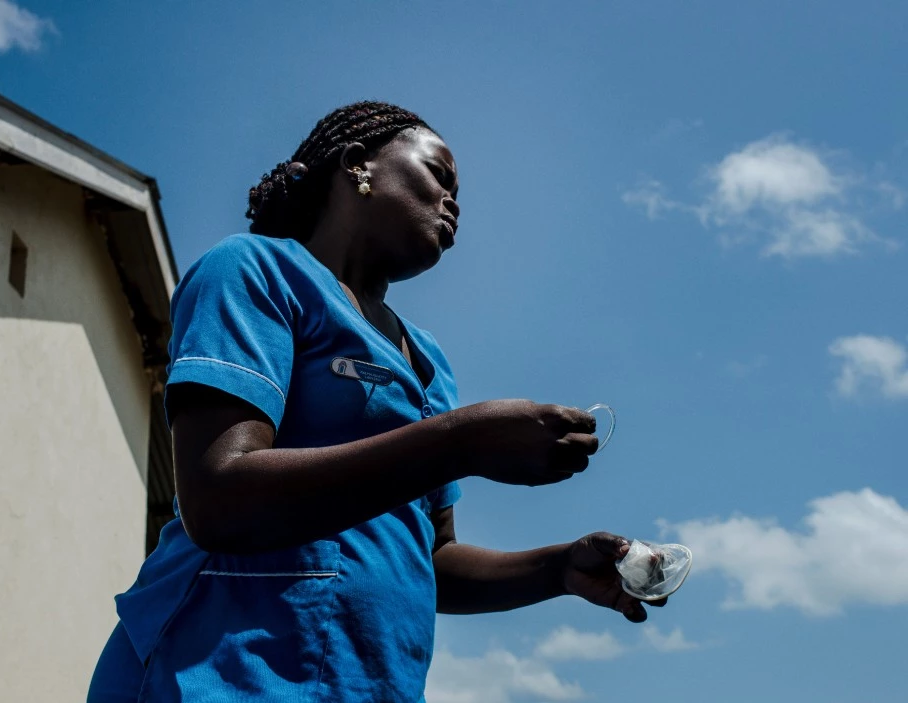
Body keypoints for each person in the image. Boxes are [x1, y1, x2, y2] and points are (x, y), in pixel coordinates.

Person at [87, 101, 666, 703]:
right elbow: (218, 496)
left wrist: (558, 569)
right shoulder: (253, 271)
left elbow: (429, 556)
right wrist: (463, 442)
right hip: (220, 674)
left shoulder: (428, 360)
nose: (454, 202)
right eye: (439, 174)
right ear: (357, 164)